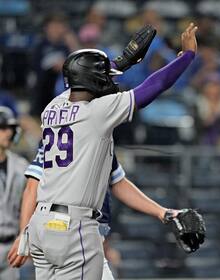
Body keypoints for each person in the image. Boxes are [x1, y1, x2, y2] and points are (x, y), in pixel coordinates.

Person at [26, 23, 198, 279]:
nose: (109, 80)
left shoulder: (53, 107)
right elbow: (155, 85)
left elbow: (87, 83)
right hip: (74, 227)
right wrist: (187, 57)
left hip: (41, 226)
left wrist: (122, 62)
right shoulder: (98, 113)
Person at [7, 140, 177, 280]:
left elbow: (118, 182)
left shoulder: (97, 136)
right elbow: (32, 188)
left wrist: (161, 212)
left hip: (74, 232)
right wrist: (24, 234)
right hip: (69, 230)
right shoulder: (66, 135)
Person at [0, 106, 28, 280]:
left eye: (10, 128)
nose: (8, 133)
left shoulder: (21, 166)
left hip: (11, 245)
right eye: (3, 128)